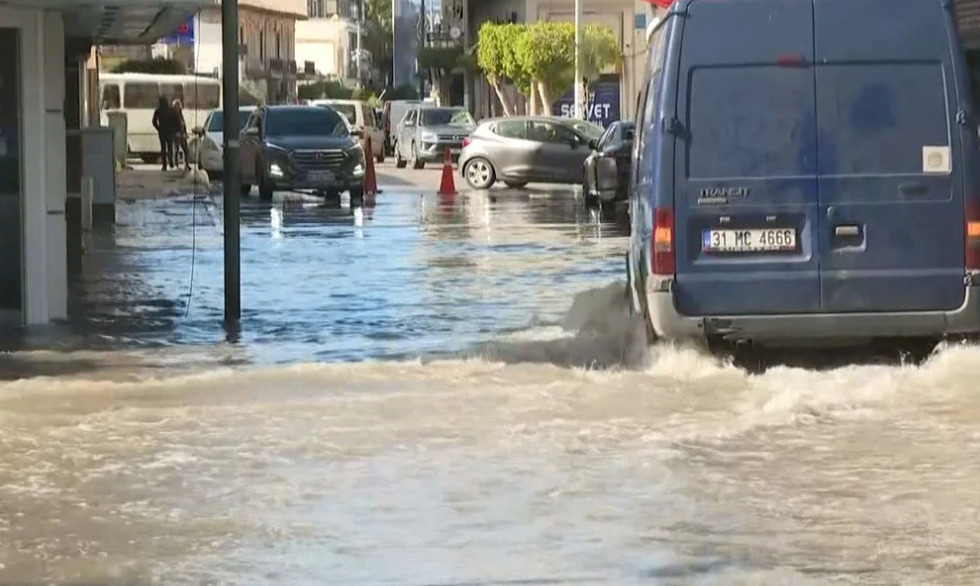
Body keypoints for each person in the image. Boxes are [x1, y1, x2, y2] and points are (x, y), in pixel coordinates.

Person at [151, 97, 177, 171]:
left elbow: (154, 121)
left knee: (163, 149)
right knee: (170, 147)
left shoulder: (158, 110)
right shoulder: (172, 110)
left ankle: (164, 165)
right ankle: (171, 162)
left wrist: (158, 128)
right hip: (170, 131)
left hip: (162, 131)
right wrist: (175, 129)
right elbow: (176, 120)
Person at [171, 99, 192, 171]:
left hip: (182, 133)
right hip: (176, 134)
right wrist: (175, 133)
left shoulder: (180, 114)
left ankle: (186, 164)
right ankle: (175, 165)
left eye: (180, 105)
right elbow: (172, 125)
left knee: (186, 149)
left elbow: (183, 124)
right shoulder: (173, 114)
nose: (180, 107)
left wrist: (185, 133)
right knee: (176, 149)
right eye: (178, 105)